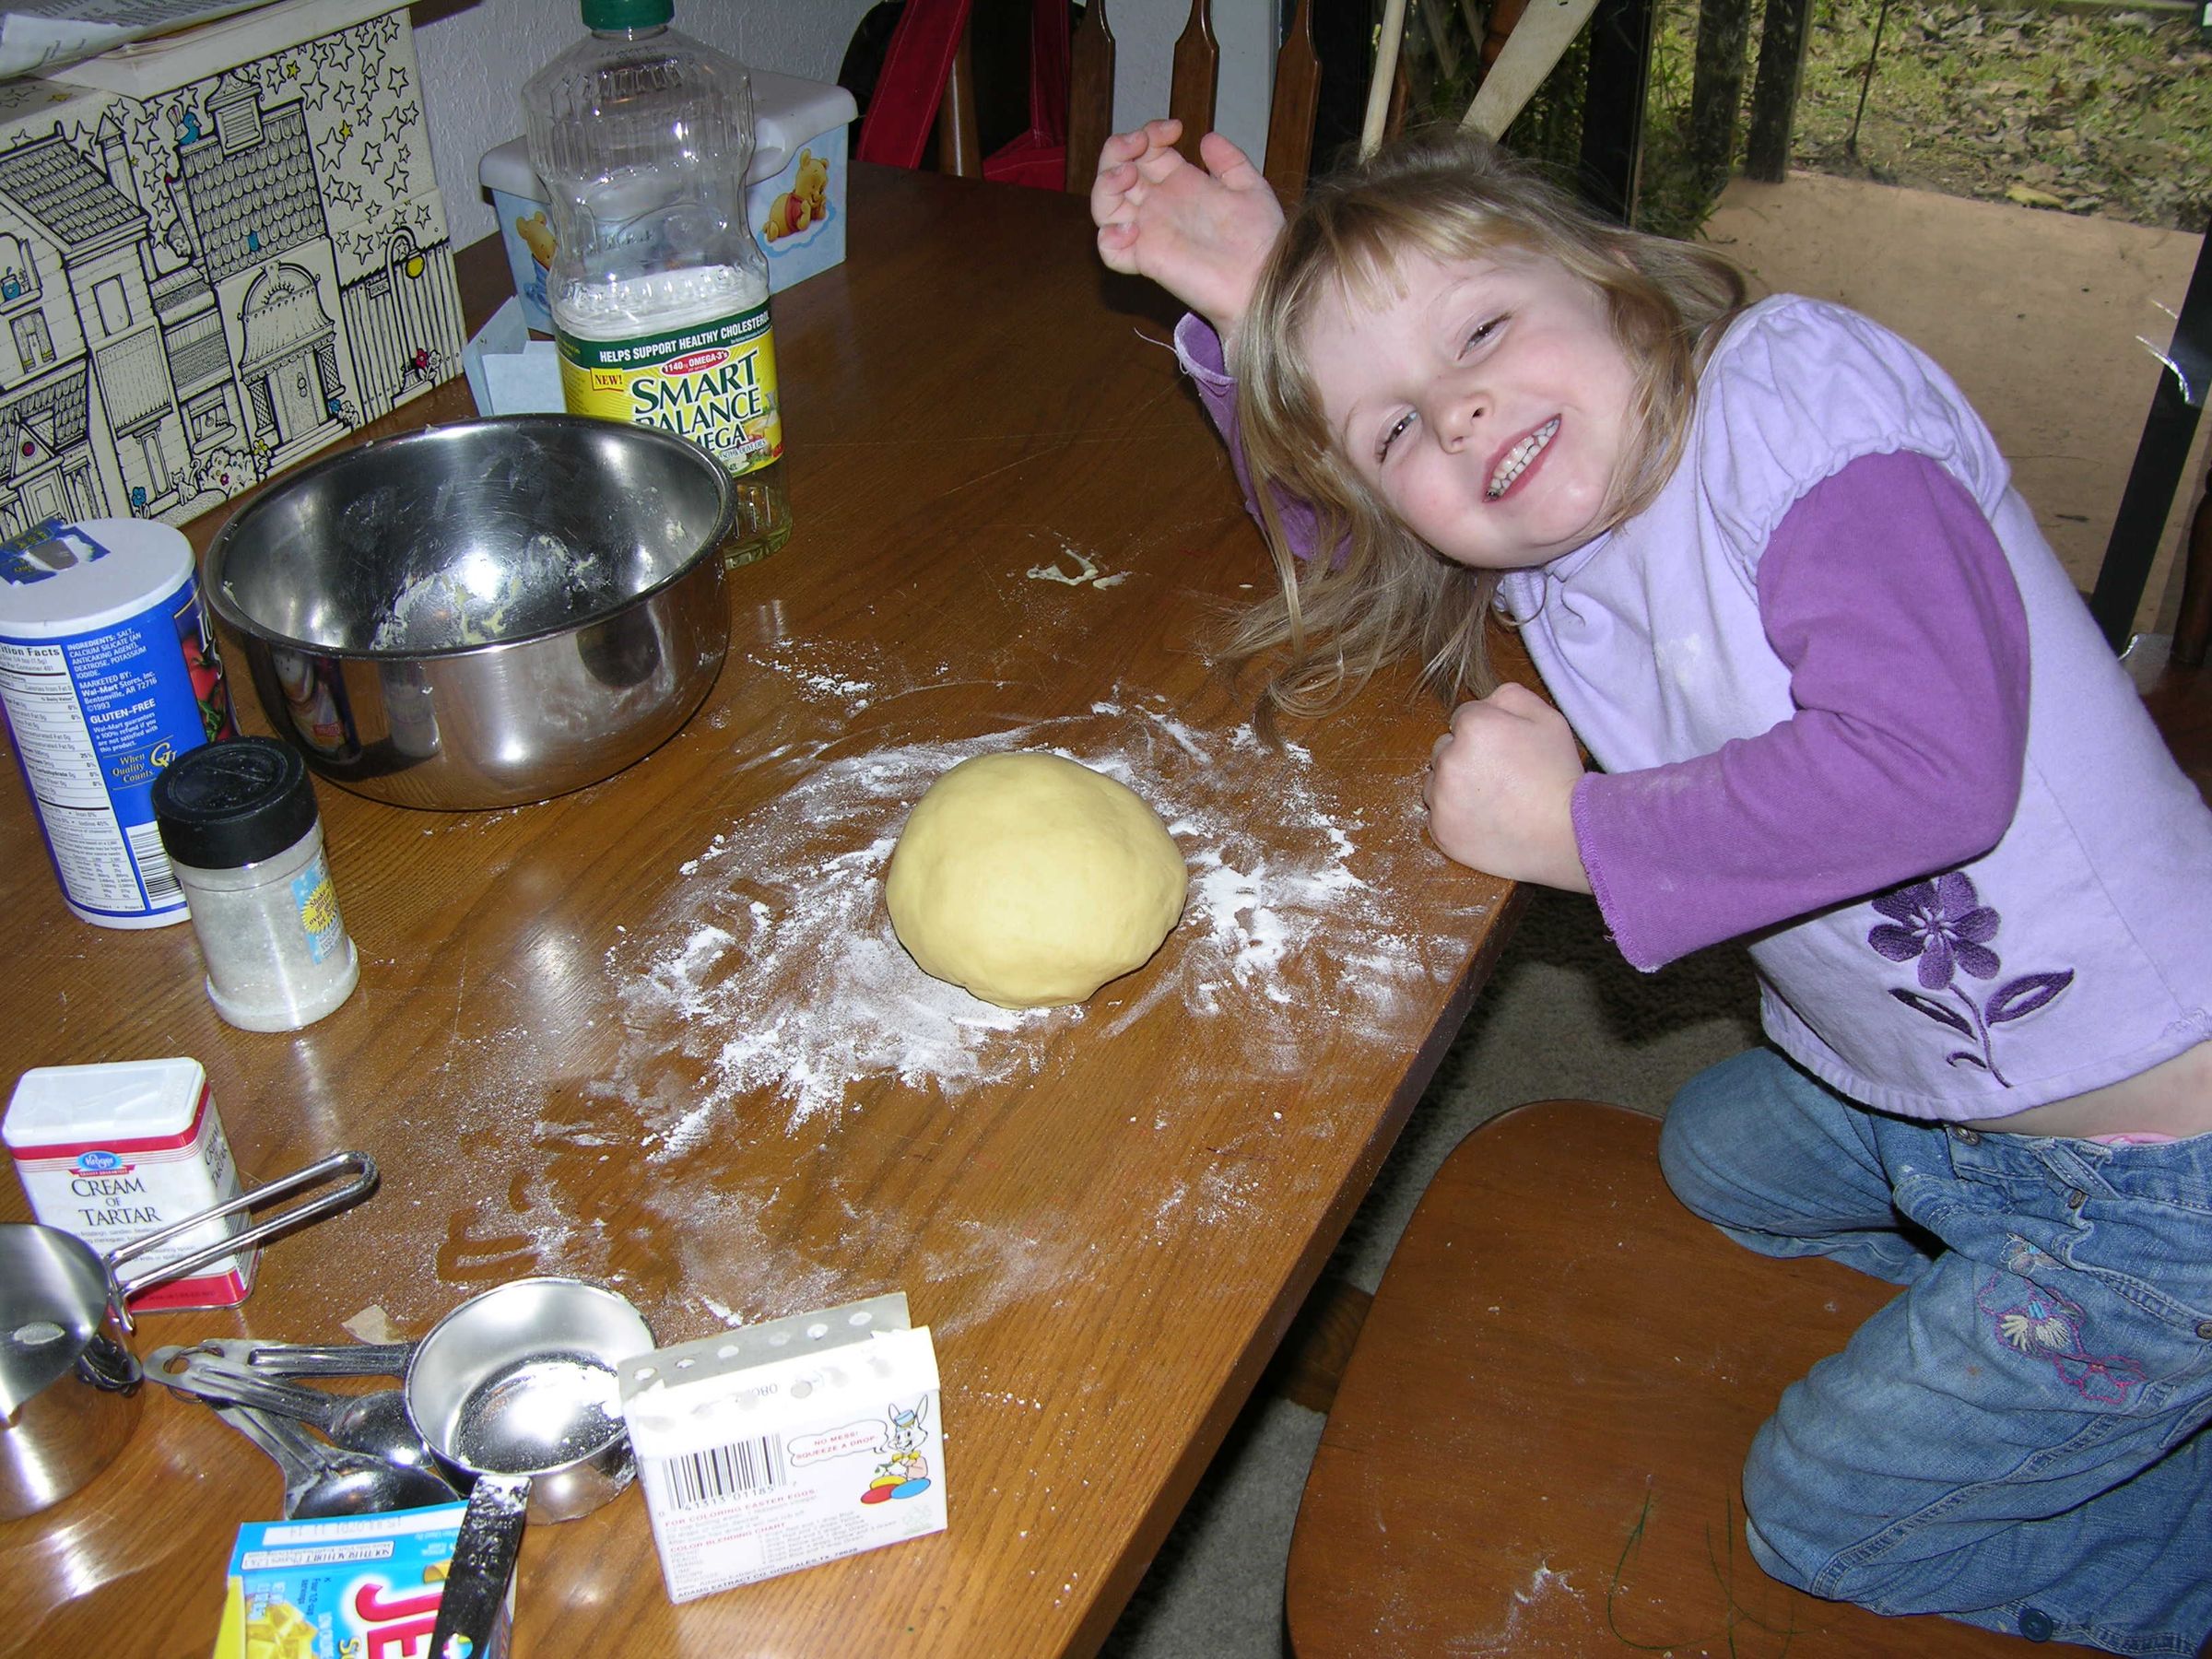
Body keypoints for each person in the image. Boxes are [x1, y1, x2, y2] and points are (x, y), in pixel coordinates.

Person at [1093, 117, 2212, 1654]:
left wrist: (1579, 833)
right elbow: (1342, 550)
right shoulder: (1564, 533)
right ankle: (2014, 1288)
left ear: (1615, 274)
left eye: (1482, 330)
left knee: (1827, 1513)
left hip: (2166, 1173)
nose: (1461, 405)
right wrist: (1250, 308)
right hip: (1944, 1100)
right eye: (1400, 428)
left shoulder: (1794, 402)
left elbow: (1934, 764)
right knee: (1713, 1155)